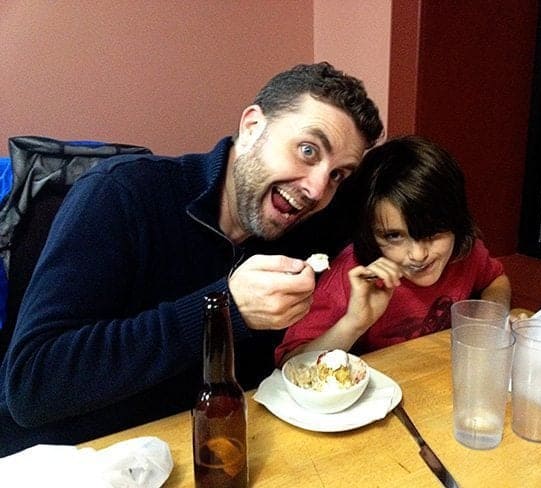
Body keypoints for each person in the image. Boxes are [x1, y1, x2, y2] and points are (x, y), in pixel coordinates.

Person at [0, 62, 383, 456]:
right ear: (252, 127)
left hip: (207, 450)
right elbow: (31, 385)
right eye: (307, 150)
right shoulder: (121, 195)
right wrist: (223, 311)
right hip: (74, 458)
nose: (317, 189)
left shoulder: (301, 230)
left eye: (337, 174)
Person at [275, 135, 511, 365]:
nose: (418, 255)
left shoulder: (464, 253)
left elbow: (496, 279)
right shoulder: (350, 277)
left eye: (432, 233)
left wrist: (489, 321)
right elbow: (291, 363)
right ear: (369, 232)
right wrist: (354, 322)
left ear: (457, 223)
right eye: (394, 236)